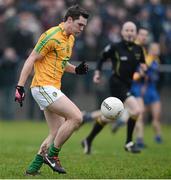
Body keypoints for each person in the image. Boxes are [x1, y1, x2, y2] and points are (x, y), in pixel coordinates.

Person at [15, 5, 89, 175]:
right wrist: (20, 86)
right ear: (69, 20)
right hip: (42, 86)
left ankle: (32, 169)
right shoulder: (51, 35)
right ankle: (52, 156)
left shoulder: (70, 38)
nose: (82, 29)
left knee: (56, 131)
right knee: (76, 117)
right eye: (80, 24)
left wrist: (76, 70)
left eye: (84, 26)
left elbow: (61, 64)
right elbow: (31, 59)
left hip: (51, 87)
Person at [81, 21, 146, 154]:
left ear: (135, 33)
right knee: (136, 110)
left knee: (108, 117)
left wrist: (143, 70)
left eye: (132, 30)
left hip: (128, 84)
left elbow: (142, 65)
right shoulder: (115, 46)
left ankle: (88, 139)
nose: (129, 32)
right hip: (116, 83)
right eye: (127, 30)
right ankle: (129, 143)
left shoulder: (138, 49)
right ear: (122, 32)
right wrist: (97, 73)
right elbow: (101, 58)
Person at [135, 42, 162, 146]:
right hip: (146, 90)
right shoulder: (148, 60)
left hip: (153, 90)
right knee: (140, 116)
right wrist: (143, 87)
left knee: (156, 117)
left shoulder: (157, 60)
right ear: (150, 50)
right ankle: (137, 139)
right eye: (154, 49)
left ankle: (158, 137)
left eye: (157, 49)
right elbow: (143, 75)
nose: (156, 50)